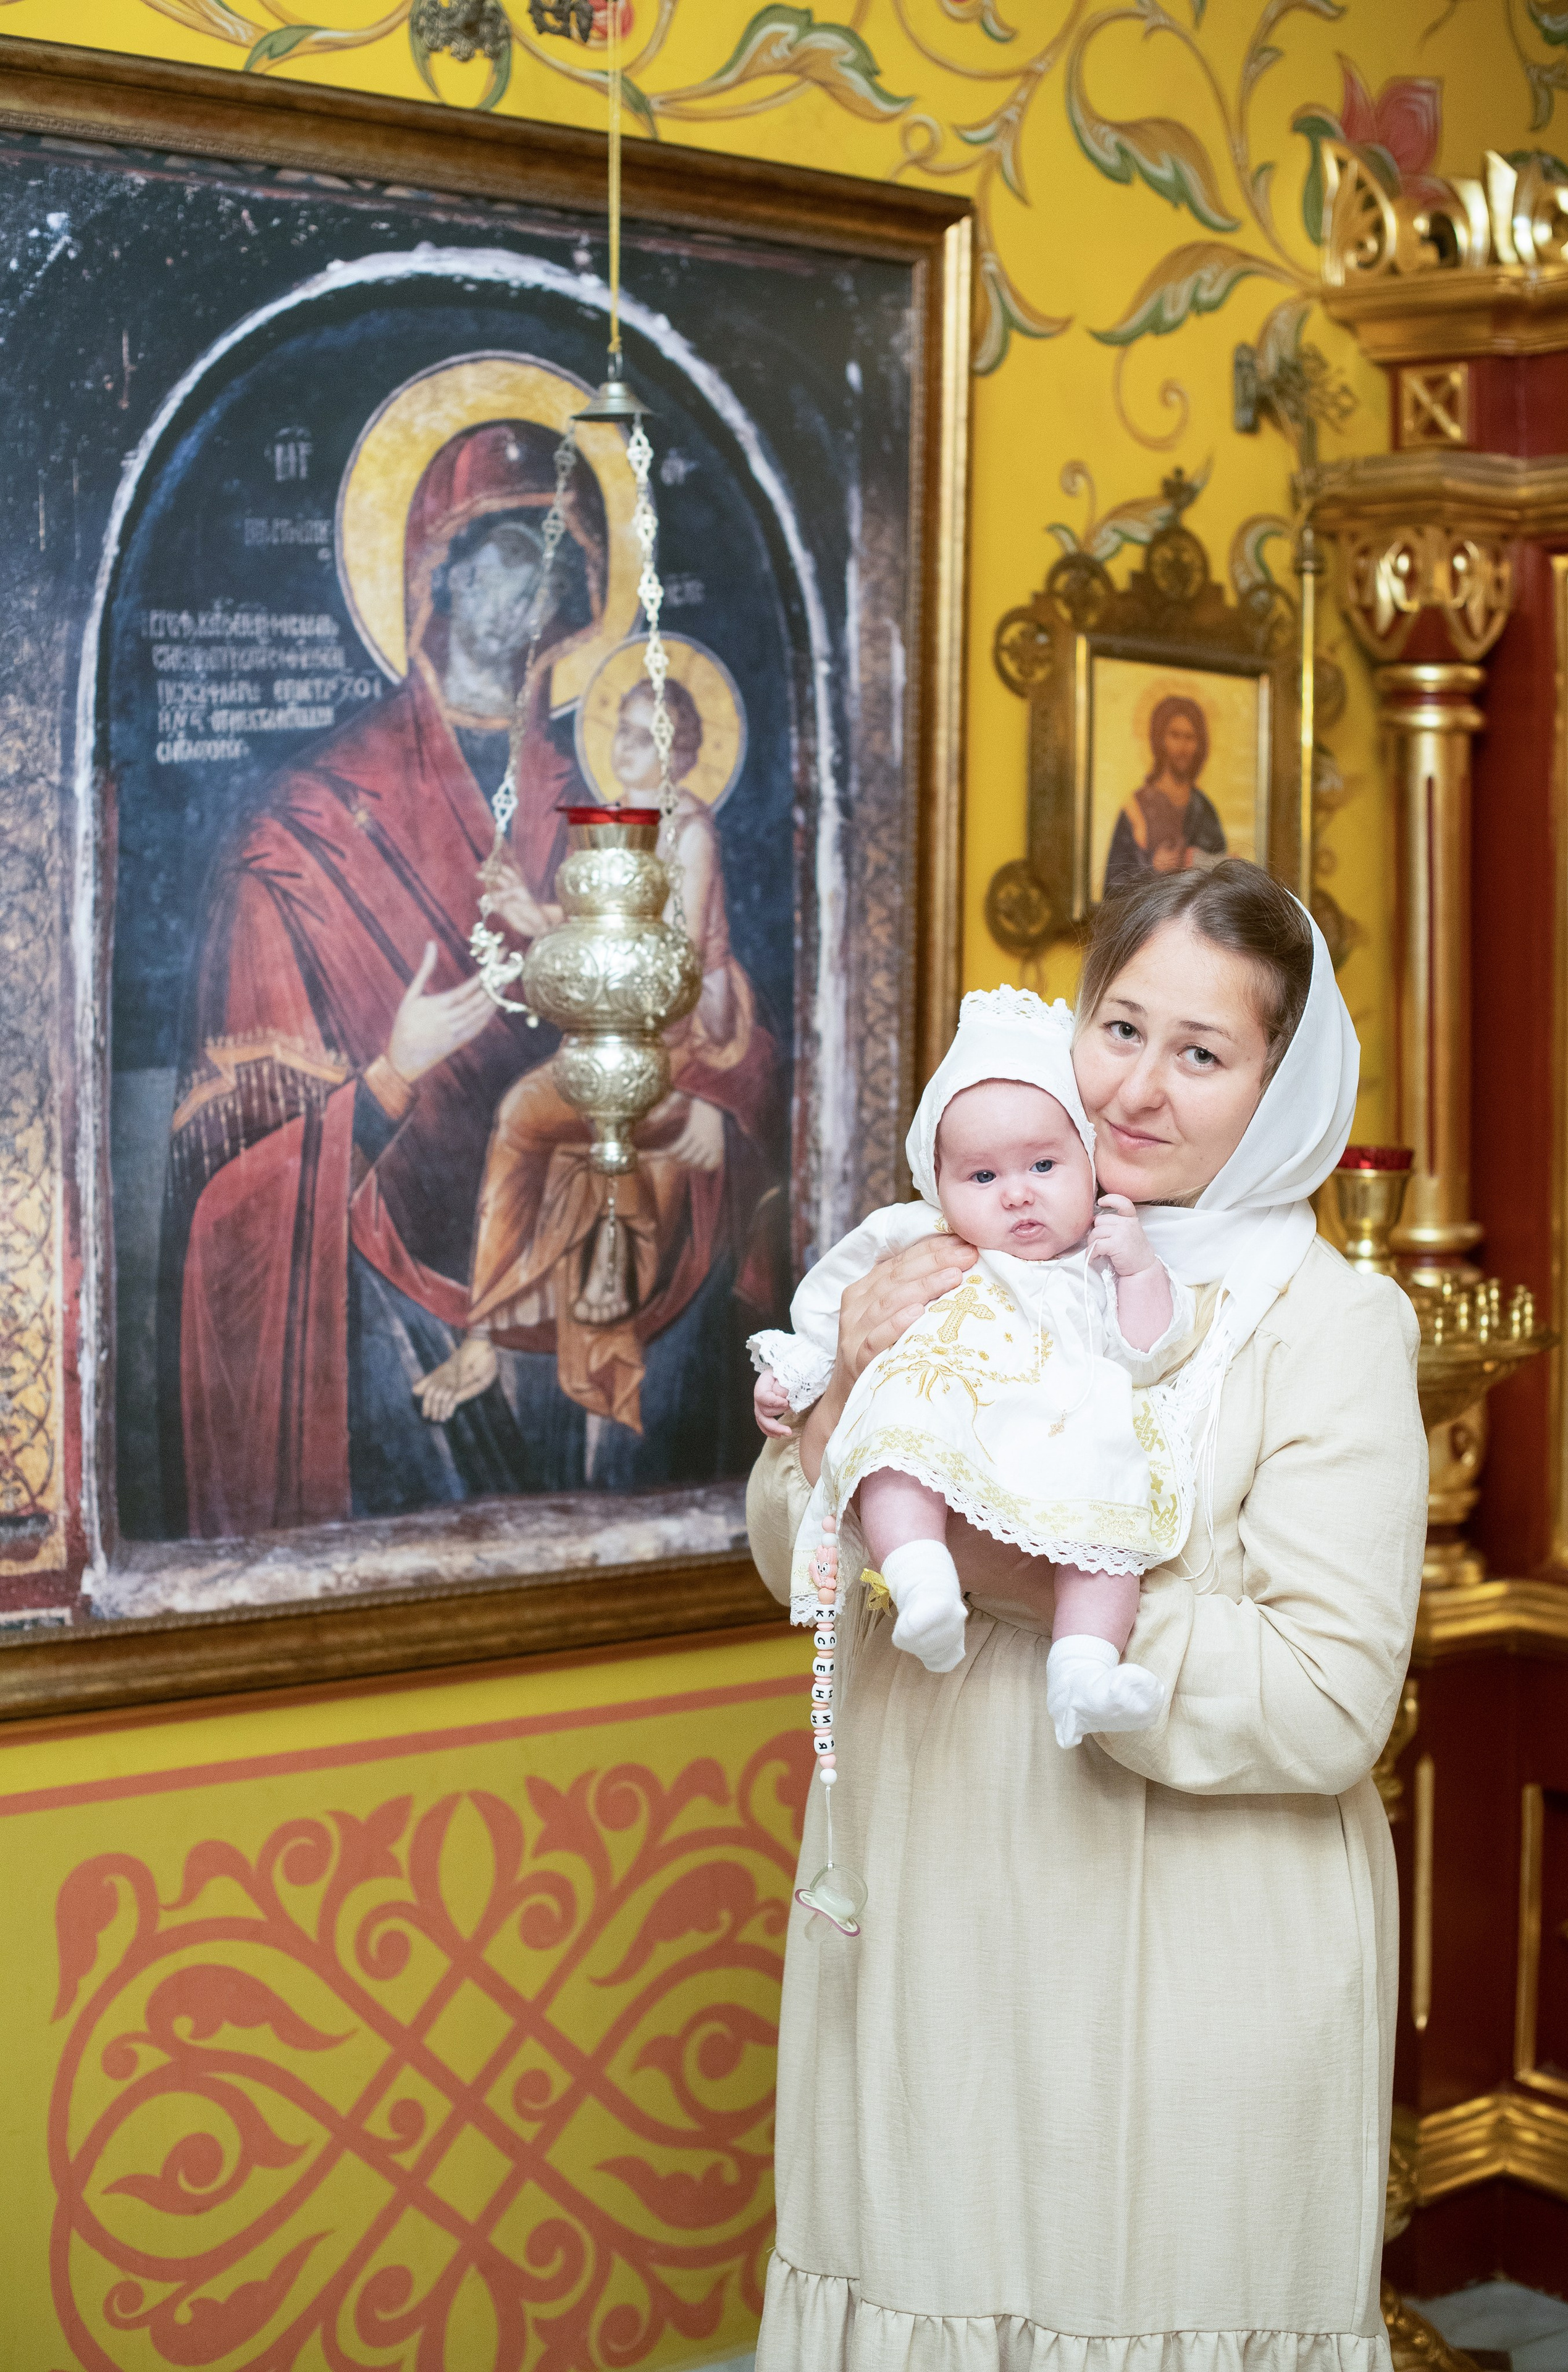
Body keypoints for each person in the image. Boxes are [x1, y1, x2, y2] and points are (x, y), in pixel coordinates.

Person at [746, 858, 1427, 2372]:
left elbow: (1323, 1696)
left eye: (1200, 1051)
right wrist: (847, 1390)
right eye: (1117, 1026)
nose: (1132, 1088)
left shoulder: (1323, 1326)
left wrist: (1019, 1573)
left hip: (1183, 1963)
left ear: (1281, 1083)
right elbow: (783, 1545)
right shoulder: (953, 1240)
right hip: (925, 1929)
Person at [162, 418, 778, 1536]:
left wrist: (719, 1107)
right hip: (390, 1308)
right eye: (503, 551)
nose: (531, 586)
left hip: (628, 1254)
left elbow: (717, 1011)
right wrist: (390, 1077)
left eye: (562, 561)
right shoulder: (304, 826)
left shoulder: (614, 796)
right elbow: (223, 1188)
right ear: (430, 575)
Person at [749, 987, 1193, 1745]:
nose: (1017, 1193)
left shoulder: (1100, 1256)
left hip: (1063, 1437)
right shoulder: (915, 1236)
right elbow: (830, 1302)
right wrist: (794, 1371)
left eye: (1045, 1164)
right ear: (938, 1184)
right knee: (896, 1457)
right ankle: (920, 1582)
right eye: (981, 1178)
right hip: (946, 1412)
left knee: (1106, 1532)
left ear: (1089, 1163)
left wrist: (1142, 1274)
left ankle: (1083, 1671)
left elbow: (1147, 1352)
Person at [414, 674, 762, 1438]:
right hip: (618, 1029)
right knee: (519, 1119)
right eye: (621, 732)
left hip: (670, 1040)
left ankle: (490, 1334)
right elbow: (613, 934)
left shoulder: (689, 830)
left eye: (645, 736)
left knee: (525, 1121)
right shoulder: (628, 824)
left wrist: (704, 1085)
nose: (624, 748)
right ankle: (487, 1336)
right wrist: (529, 914)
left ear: (682, 752)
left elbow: (667, 955)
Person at [1102, 691, 1228, 896]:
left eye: (1190, 737)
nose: (1182, 747)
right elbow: (1114, 887)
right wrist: (1153, 868)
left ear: (1199, 745)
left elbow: (1221, 884)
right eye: (1175, 735)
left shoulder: (1204, 809)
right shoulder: (1136, 808)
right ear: (1160, 740)